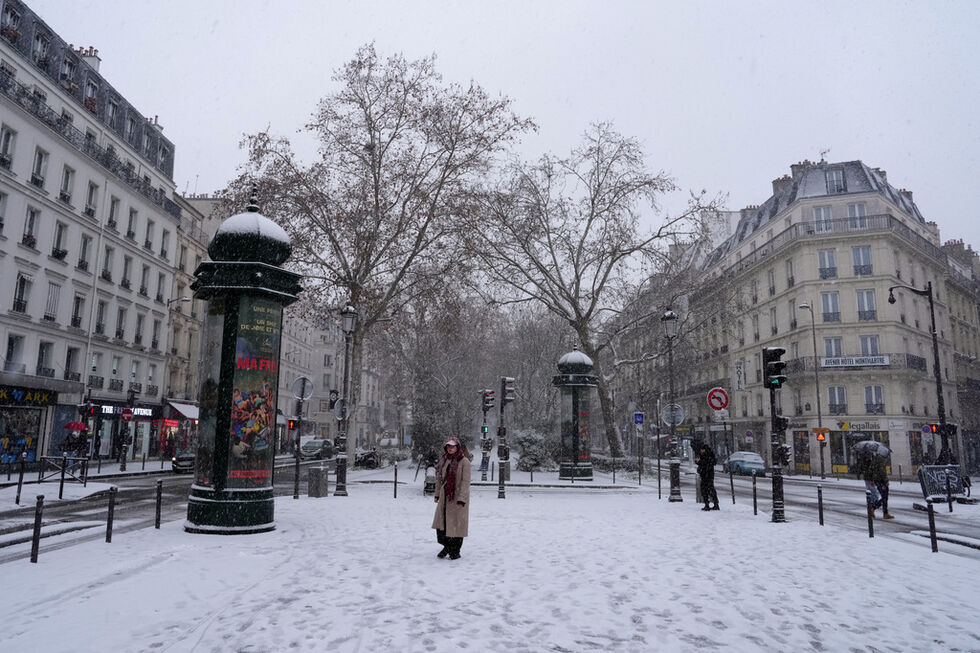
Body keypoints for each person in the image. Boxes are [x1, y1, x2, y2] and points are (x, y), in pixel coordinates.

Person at [431, 437, 471, 560]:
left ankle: (455, 550)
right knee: (442, 524)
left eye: (452, 446)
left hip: (457, 497)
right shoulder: (444, 460)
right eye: (448, 446)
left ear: (458, 447)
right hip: (445, 497)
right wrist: (437, 494)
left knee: (456, 525)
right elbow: (439, 479)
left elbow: (465, 482)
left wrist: (461, 499)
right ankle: (447, 546)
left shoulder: (464, 462)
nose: (450, 448)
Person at [695, 442, 719, 511]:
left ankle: (708, 504)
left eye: (702, 450)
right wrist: (698, 462)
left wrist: (699, 462)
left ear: (704, 450)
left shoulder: (707, 455)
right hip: (708, 474)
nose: (701, 451)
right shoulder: (708, 454)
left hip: (706, 474)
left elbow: (705, 464)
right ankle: (715, 504)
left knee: (705, 490)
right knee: (710, 489)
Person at [869, 454, 894, 519]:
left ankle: (882, 511)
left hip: (877, 480)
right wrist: (886, 481)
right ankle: (878, 510)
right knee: (885, 497)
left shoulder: (874, 460)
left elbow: (871, 470)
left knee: (884, 497)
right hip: (881, 481)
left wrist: (872, 479)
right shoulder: (880, 460)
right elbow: (882, 472)